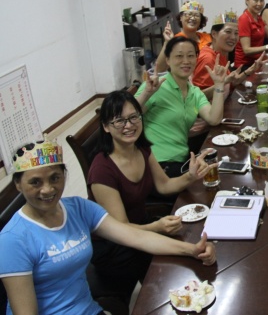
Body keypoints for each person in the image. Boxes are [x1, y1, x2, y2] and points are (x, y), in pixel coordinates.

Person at [0, 139, 216, 315]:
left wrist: (192, 250)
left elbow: (135, 236)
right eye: (35, 182)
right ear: (18, 184)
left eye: (55, 178)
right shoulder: (12, 239)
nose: (48, 189)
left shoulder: (78, 208)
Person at [87, 91, 215, 300]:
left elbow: (164, 185)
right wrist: (156, 227)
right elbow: (121, 229)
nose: (129, 125)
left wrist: (190, 176)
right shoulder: (102, 171)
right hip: (114, 247)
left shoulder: (141, 148)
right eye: (119, 121)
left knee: (189, 252)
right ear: (106, 127)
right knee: (171, 274)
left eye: (133, 117)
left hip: (142, 227)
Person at [136, 36, 227, 178]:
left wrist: (219, 84)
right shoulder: (155, 86)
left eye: (190, 56)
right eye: (179, 56)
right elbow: (128, 114)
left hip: (181, 161)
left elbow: (214, 119)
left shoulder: (194, 92)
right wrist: (146, 93)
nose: (186, 61)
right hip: (157, 164)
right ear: (168, 60)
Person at [193, 13, 265, 99]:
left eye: (236, 33)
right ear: (214, 34)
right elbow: (197, 97)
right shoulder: (207, 58)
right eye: (228, 32)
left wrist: (250, 70)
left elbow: (228, 84)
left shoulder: (221, 52)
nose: (233, 37)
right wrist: (222, 83)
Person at [155, 0, 211, 73]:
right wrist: (167, 42)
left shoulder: (208, 37)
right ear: (181, 17)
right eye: (188, 14)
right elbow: (159, 69)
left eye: (196, 15)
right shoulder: (176, 41)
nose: (192, 18)